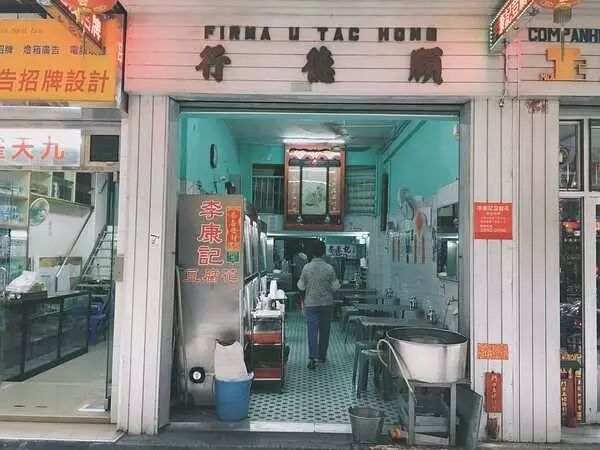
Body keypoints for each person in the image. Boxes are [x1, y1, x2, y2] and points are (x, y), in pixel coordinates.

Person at [297, 240, 341, 369]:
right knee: (325, 331)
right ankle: (322, 356)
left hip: (311, 304)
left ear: (312, 253)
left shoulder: (307, 267)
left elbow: (301, 286)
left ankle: (313, 358)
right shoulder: (329, 268)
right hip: (326, 304)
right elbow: (335, 287)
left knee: (312, 331)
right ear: (323, 252)